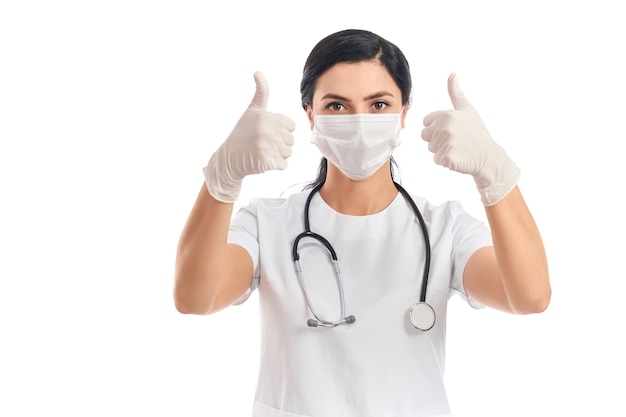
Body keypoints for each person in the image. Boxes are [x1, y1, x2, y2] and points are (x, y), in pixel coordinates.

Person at [174, 28, 551, 417]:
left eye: (378, 105)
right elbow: (195, 299)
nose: (358, 122)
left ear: (405, 111)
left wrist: (495, 172)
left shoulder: (445, 228)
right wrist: (221, 180)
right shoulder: (266, 223)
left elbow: (529, 297)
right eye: (336, 106)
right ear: (310, 113)